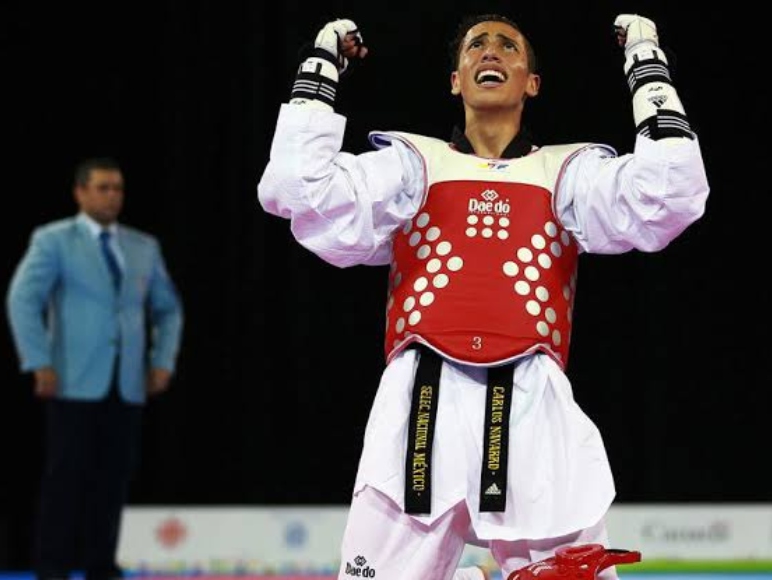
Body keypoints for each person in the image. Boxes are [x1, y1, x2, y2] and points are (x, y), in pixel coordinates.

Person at [258, 12, 708, 580]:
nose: (490, 53)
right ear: (455, 79)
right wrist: (320, 68)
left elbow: (676, 192)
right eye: (476, 46)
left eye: (508, 46)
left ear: (532, 82)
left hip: (531, 402)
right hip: (419, 403)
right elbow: (295, 188)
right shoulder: (412, 164)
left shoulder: (567, 171)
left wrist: (646, 61)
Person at [5, 157, 184, 580]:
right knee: (65, 479)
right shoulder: (54, 241)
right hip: (72, 379)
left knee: (114, 479)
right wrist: (39, 361)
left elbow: (169, 309)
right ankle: (52, 567)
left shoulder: (143, 246)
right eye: (102, 188)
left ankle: (101, 564)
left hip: (127, 384)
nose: (112, 196)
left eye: (118, 188)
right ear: (80, 192)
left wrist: (161, 360)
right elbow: (22, 300)